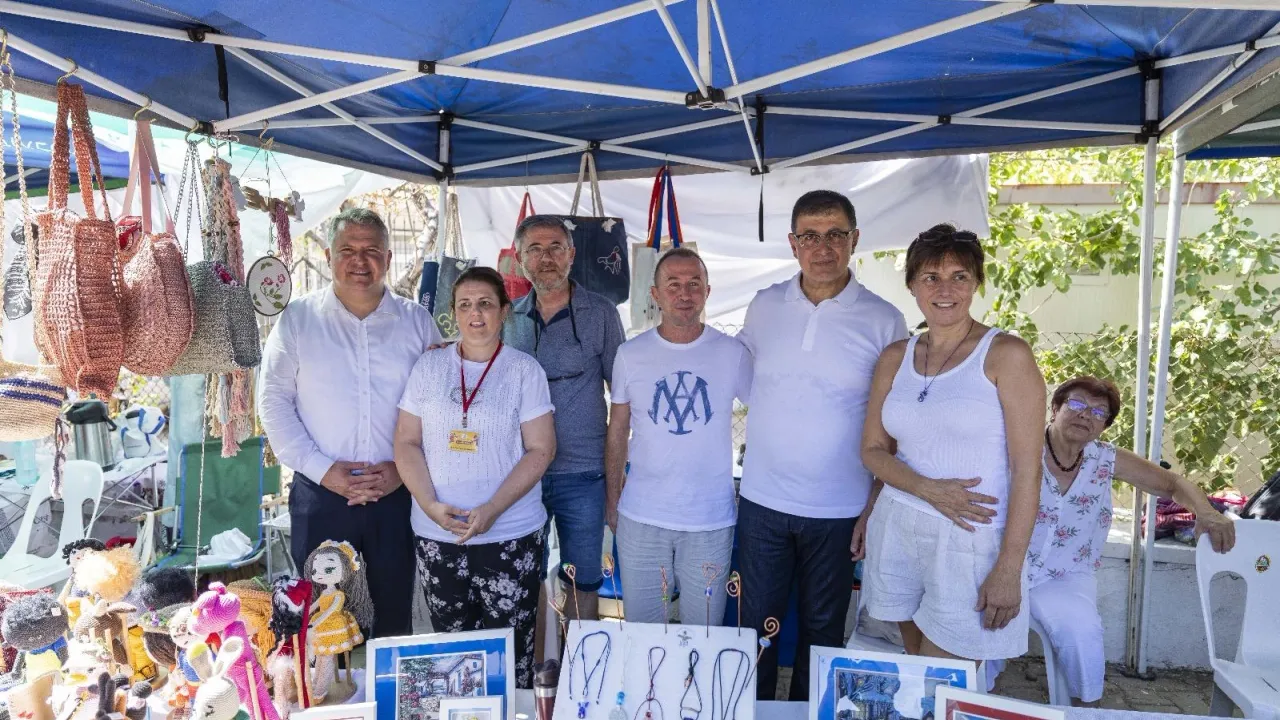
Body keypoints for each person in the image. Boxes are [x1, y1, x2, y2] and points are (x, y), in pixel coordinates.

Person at [736, 190, 908, 701]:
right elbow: (741, 379)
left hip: (839, 509)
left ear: (854, 239)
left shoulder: (884, 319)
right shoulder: (764, 305)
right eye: (810, 236)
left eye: (835, 234)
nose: (823, 247)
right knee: (754, 630)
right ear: (793, 244)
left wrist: (872, 507)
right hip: (762, 501)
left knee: (822, 632)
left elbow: (894, 425)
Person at [861, 223, 1047, 663]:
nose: (945, 290)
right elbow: (871, 450)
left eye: (959, 276)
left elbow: (1028, 470)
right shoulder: (895, 357)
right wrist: (927, 489)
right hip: (898, 527)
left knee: (947, 678)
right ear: (911, 285)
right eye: (931, 277)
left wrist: (1009, 568)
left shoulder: (1006, 354)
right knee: (916, 675)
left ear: (976, 282)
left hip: (970, 541)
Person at [258, 207, 441, 639]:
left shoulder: (417, 323)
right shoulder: (297, 320)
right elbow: (273, 401)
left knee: (393, 621)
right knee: (323, 626)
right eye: (347, 250)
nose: (360, 261)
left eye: (372, 250)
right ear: (328, 256)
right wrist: (324, 471)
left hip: (397, 495)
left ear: (389, 258)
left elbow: (440, 406)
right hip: (321, 495)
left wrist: (403, 471)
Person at [1015, 375, 1235, 706]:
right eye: (1076, 404)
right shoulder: (1021, 444)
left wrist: (1206, 512)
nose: (1085, 415)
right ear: (1055, 409)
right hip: (1007, 564)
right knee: (979, 631)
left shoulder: (1105, 458)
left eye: (1098, 412)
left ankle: (1087, 710)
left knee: (1083, 633)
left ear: (1104, 426)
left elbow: (1172, 484)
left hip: (1065, 574)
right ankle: (969, 701)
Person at [395, 266, 556, 688]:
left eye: (485, 303)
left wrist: (493, 509)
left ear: (504, 311)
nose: (475, 313)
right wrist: (430, 505)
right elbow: (406, 443)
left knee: (511, 653)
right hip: (438, 534)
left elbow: (541, 449)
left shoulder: (524, 371)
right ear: (453, 313)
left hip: (510, 534)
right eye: (464, 305)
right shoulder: (428, 367)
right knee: (452, 656)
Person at [604, 247, 751, 624]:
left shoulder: (732, 353)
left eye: (694, 284)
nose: (684, 294)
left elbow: (763, 415)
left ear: (707, 291)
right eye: (673, 285)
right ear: (655, 294)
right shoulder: (630, 354)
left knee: (705, 629)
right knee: (643, 628)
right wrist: (613, 498)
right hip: (642, 515)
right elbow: (617, 429)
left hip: (710, 519)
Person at [503, 215, 625, 627]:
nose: (546, 258)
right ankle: (540, 664)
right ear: (520, 259)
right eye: (535, 249)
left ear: (571, 255)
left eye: (556, 247)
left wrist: (616, 481)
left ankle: (581, 662)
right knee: (526, 578)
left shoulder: (602, 313)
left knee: (583, 582)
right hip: (522, 475)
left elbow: (622, 400)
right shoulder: (507, 318)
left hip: (585, 475)